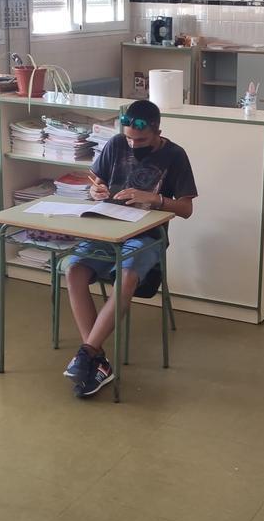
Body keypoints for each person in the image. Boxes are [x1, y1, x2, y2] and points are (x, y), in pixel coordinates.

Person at [63, 99, 197, 398]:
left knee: (126, 277)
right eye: (129, 139)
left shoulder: (174, 155)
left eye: (142, 140)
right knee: (73, 271)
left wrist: (155, 199)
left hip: (147, 235)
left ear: (158, 131)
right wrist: (94, 190)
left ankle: (87, 355)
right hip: (106, 227)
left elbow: (186, 209)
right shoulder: (114, 145)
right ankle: (94, 358)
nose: (133, 145)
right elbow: (96, 184)